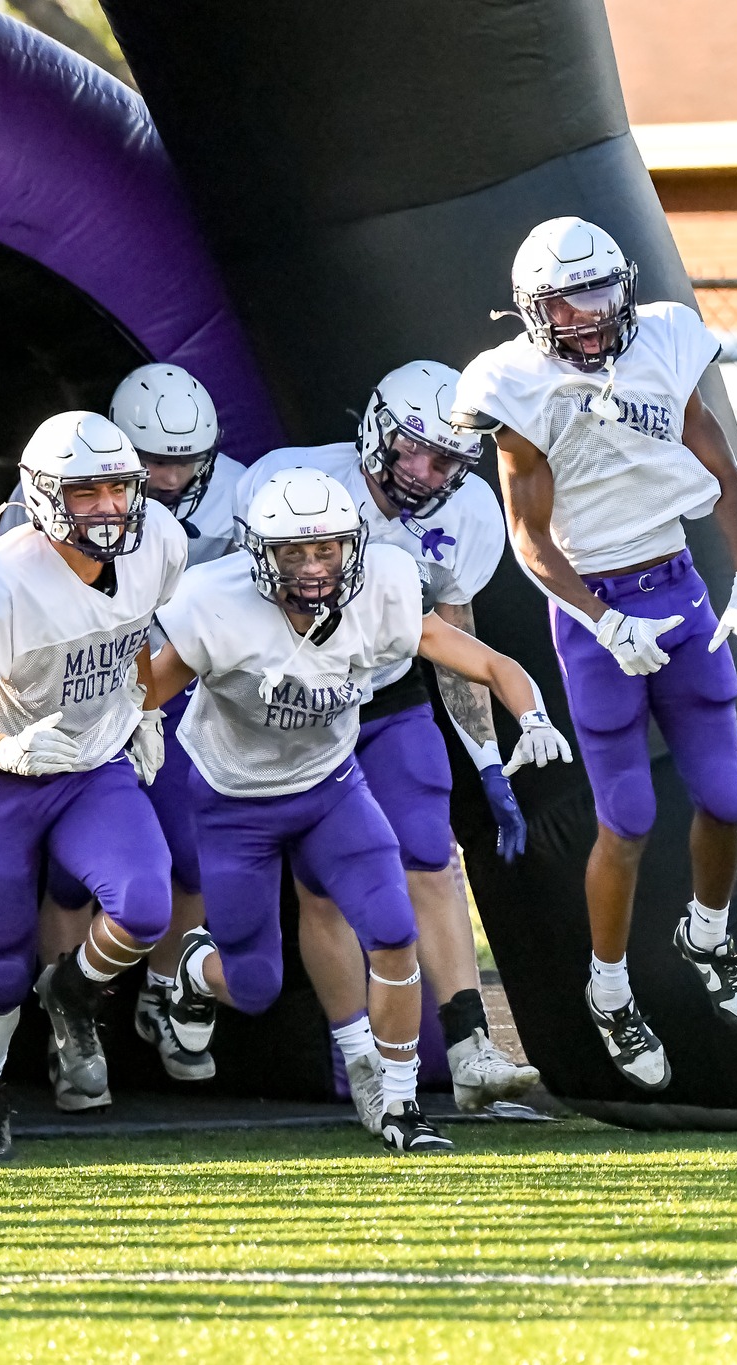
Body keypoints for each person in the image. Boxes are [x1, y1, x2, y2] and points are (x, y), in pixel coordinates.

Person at [152, 468, 569, 1151]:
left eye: (327, 550)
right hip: (236, 805)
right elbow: (143, 693)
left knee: (393, 928)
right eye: (294, 553)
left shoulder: (384, 585)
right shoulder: (215, 601)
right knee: (254, 985)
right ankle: (196, 968)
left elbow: (489, 663)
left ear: (354, 547)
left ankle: (401, 1106)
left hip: (330, 790)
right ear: (260, 554)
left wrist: (535, 716)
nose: (315, 568)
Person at [452, 215, 737, 1091]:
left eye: (600, 294)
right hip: (592, 601)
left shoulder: (666, 339)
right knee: (626, 818)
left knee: (728, 797)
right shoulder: (515, 386)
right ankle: (608, 987)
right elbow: (529, 536)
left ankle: (706, 932)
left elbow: (721, 470)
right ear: (532, 312)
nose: (590, 317)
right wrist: (604, 622)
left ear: (625, 287)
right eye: (568, 302)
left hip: (676, 581)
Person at [237, 360, 536, 1124]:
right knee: (321, 886)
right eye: (418, 451)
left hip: (393, 695)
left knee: (431, 856)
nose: (432, 473)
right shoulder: (295, 483)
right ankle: (360, 1057)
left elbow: (456, 634)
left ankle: (470, 1047)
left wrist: (489, 761)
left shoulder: (467, 512)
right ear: (376, 430)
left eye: (449, 460)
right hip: (301, 705)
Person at [0, 411, 184, 1161]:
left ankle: (70, 989)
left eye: (117, 487)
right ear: (41, 497)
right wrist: (10, 750)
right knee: (0, 972)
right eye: (84, 490)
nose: (106, 505)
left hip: (90, 763)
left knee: (145, 904)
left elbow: (127, 636)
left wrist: (139, 706)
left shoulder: (160, 538)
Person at [0, 364, 245, 1097]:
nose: (170, 477)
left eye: (186, 460)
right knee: (74, 875)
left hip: (172, 686)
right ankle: (75, 1028)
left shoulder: (241, 489)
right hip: (75, 691)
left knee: (192, 855)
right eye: (155, 460)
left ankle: (168, 990)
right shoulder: (44, 501)